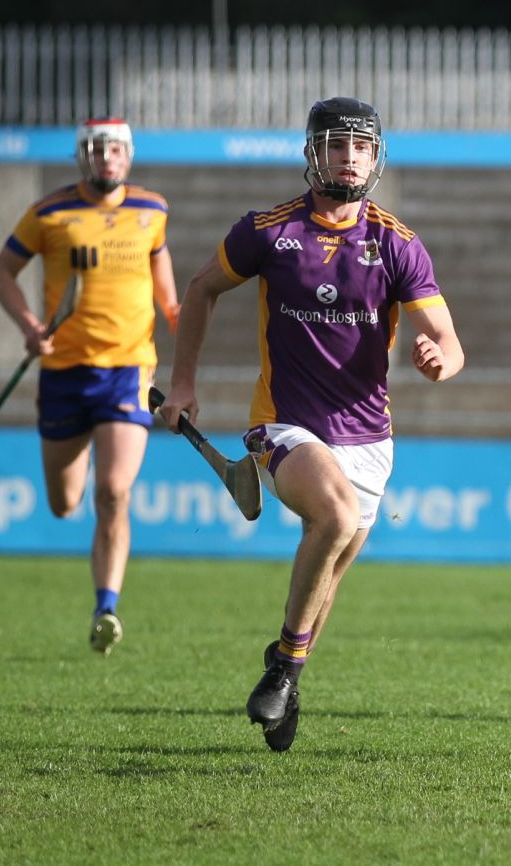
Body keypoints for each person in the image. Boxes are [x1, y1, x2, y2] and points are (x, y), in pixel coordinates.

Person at [158, 97, 464, 753]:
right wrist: (184, 382)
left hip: (370, 440)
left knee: (328, 573)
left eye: (359, 146)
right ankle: (289, 667)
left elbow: (449, 340)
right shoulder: (268, 232)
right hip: (285, 425)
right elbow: (202, 287)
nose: (346, 157)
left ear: (376, 157)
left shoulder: (396, 244)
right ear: (310, 154)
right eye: (334, 145)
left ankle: (286, 670)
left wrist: (440, 359)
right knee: (331, 515)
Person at [0, 118, 179, 655]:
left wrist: (177, 319)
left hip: (128, 369)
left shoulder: (152, 210)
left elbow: (163, 278)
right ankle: (85, 529)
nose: (107, 158)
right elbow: (1, 272)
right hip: (64, 375)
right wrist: (29, 326)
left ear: (129, 156)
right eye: (97, 149)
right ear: (83, 157)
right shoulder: (50, 213)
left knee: (114, 491)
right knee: (64, 502)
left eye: (116, 149)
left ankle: (106, 607)